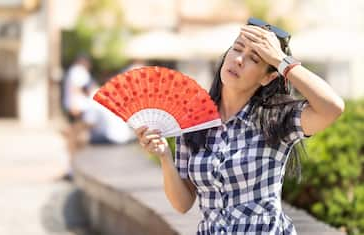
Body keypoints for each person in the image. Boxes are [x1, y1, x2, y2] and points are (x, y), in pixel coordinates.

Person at [134, 17, 345, 234]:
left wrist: (281, 60)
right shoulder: (194, 121)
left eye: (254, 58)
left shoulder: (276, 119)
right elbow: (182, 203)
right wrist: (164, 156)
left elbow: (332, 107)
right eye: (237, 49)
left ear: (268, 77)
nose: (239, 60)